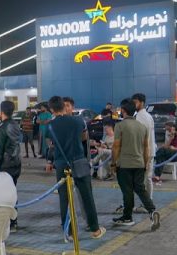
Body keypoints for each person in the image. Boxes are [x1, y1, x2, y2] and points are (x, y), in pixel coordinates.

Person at [48, 96, 106, 239]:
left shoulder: (50, 125)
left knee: (64, 198)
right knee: (87, 196)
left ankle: (68, 232)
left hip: (61, 164)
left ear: (51, 109)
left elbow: (52, 145)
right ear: (64, 106)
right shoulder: (78, 121)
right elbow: (84, 138)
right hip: (79, 161)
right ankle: (95, 229)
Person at [110, 100, 160, 230]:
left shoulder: (120, 126)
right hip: (139, 163)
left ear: (123, 111)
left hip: (124, 164)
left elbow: (116, 146)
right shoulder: (142, 127)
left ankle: (127, 217)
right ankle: (152, 211)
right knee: (140, 189)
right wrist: (145, 163)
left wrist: (113, 163)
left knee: (127, 191)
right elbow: (146, 147)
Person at [0, 100, 22, 231]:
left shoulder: (1, 128)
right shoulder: (15, 125)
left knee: (3, 194)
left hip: (4, 165)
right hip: (16, 163)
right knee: (12, 192)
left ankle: (7, 222)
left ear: (1, 111)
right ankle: (13, 221)